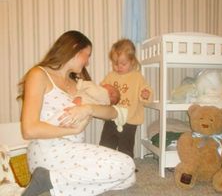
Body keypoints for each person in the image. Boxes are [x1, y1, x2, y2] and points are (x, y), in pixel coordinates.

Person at [19, 30, 135, 196]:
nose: (87, 62)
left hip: (73, 151)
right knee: (127, 165)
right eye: (87, 55)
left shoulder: (77, 84)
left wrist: (87, 109)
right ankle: (49, 179)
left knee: (128, 178)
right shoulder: (39, 75)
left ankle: (52, 183)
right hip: (48, 150)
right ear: (74, 48)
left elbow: (113, 113)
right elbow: (29, 130)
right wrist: (73, 131)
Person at [99, 38, 153, 159]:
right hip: (112, 118)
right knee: (106, 144)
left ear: (132, 61)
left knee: (126, 147)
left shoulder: (137, 77)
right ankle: (105, 164)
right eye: (115, 63)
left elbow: (147, 90)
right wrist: (102, 92)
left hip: (130, 120)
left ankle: (127, 167)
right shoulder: (111, 76)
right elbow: (102, 90)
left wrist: (146, 94)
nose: (118, 67)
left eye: (123, 64)